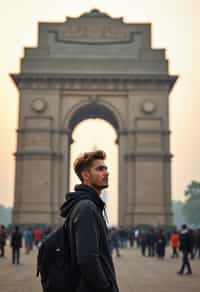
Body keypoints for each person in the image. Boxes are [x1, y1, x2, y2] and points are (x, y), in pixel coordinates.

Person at [60, 150, 119, 292]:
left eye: (106, 168)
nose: (106, 173)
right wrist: (106, 288)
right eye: (100, 169)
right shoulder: (87, 208)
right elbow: (87, 259)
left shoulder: (84, 206)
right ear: (85, 175)